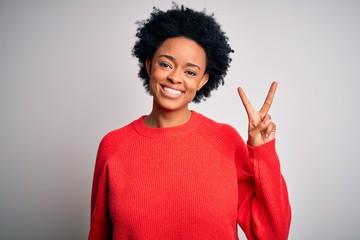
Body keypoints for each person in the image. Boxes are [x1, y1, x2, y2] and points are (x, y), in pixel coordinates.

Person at [88, 4, 291, 240]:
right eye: (165, 64)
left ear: (203, 81)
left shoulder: (225, 141)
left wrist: (263, 151)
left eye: (190, 72)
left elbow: (272, 234)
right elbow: (98, 233)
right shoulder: (114, 145)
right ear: (149, 65)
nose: (175, 77)